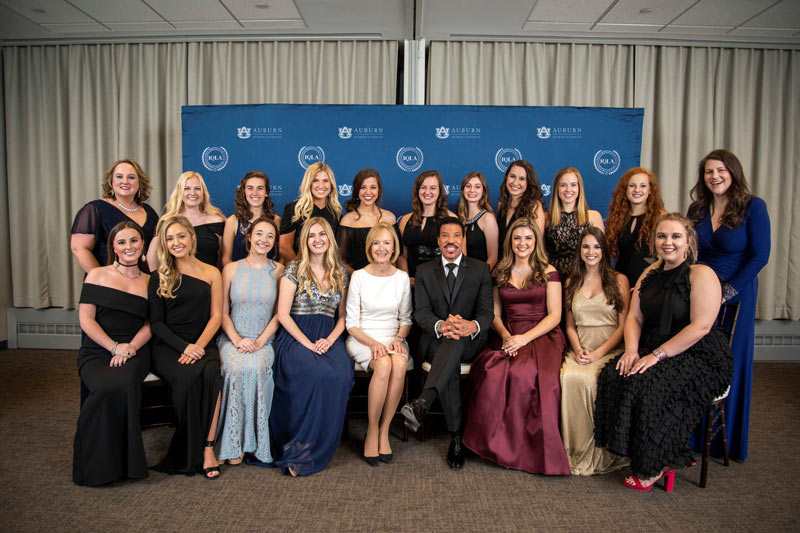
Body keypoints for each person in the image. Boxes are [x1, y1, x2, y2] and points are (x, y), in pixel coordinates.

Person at [594, 213, 733, 492]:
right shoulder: (649, 273)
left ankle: (657, 462)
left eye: (675, 236)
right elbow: (634, 317)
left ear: (688, 241)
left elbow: (701, 327)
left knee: (650, 384)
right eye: (662, 236)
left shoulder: (702, 274)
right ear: (654, 241)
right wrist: (631, 351)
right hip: (654, 345)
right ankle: (637, 453)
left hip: (700, 353)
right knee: (616, 373)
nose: (668, 242)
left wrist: (656, 356)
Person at [462, 217, 569, 475]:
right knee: (490, 370)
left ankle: (524, 451)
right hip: (508, 333)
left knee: (525, 374)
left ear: (536, 242)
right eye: (517, 238)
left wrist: (524, 339)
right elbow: (495, 314)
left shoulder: (548, 271)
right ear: (510, 241)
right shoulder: (500, 270)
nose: (523, 243)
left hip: (542, 334)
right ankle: (491, 445)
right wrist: (507, 336)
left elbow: (554, 315)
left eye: (528, 238)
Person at [688, 149, 770, 462]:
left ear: (733, 172)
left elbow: (760, 256)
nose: (715, 177)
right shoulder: (698, 207)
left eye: (720, 170)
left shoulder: (753, 207)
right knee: (697, 359)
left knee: (730, 363)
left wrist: (727, 291)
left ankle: (728, 441)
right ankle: (694, 436)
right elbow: (691, 250)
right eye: (709, 172)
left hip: (737, 295)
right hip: (700, 292)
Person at [400, 217, 493, 470]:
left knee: (455, 344)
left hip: (471, 342)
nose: (451, 241)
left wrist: (470, 326)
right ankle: (456, 439)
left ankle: (424, 403)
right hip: (436, 340)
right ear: (438, 240)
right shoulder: (424, 271)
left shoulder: (480, 269)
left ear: (463, 239)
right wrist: (442, 326)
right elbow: (420, 313)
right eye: (445, 236)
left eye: (456, 236)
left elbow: (486, 314)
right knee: (450, 350)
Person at [271, 217, 354, 476]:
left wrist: (330, 340)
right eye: (311, 235)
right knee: (313, 374)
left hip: (329, 335)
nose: (317, 240)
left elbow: (343, 317)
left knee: (340, 375)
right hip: (296, 335)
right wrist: (307, 344)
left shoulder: (340, 272)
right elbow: (283, 314)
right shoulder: (293, 270)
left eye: (322, 234)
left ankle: (319, 443)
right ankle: (299, 446)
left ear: (330, 239)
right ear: (304, 241)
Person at [73, 221, 152, 486]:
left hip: (135, 349)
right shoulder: (96, 275)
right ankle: (94, 465)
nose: (128, 247)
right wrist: (112, 347)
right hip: (97, 349)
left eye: (133, 241)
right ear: (114, 247)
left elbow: (151, 325)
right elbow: (86, 320)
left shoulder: (152, 281)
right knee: (104, 388)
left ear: (142, 245)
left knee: (122, 383)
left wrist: (129, 348)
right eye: (122, 242)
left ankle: (126, 464)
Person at [148, 216, 223, 479]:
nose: (176, 242)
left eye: (181, 236)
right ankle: (187, 449)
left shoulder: (212, 272)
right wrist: (184, 347)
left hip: (203, 341)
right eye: (169, 239)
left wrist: (198, 346)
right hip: (169, 345)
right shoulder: (158, 276)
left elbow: (216, 316)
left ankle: (208, 448)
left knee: (213, 375)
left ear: (192, 237)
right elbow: (156, 323)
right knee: (188, 378)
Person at [560, 227, 630, 475]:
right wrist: (577, 348)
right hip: (581, 345)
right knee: (568, 377)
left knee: (590, 379)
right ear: (580, 250)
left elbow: (624, 326)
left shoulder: (619, 280)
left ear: (604, 250)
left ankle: (599, 452)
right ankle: (573, 450)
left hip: (609, 346)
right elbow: (569, 324)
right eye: (586, 247)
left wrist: (599, 353)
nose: (591, 252)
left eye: (597, 247)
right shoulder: (571, 281)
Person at [216, 217, 284, 465]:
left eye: (269, 236)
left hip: (264, 340)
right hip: (232, 338)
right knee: (235, 369)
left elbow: (280, 313)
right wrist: (236, 339)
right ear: (249, 237)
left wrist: (259, 342)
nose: (263, 240)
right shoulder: (231, 269)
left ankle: (253, 443)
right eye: (259, 234)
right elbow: (222, 312)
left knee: (256, 368)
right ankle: (232, 442)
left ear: (274, 242)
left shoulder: (279, 270)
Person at [345, 223, 412, 465]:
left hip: (393, 337)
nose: (381, 248)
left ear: (394, 247)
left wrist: (398, 338)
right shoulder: (359, 277)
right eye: (376, 243)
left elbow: (406, 319)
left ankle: (385, 430)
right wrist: (373, 343)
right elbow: (351, 324)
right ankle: (372, 430)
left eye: (387, 243)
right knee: (383, 365)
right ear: (369, 246)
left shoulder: (402, 277)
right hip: (362, 338)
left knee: (399, 363)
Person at [71, 158, 158, 273]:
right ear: (111, 181)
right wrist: (102, 278)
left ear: (139, 183)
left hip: (142, 283)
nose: (125, 181)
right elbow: (79, 248)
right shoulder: (94, 209)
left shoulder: (149, 212)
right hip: (108, 284)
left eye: (131, 177)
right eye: (119, 176)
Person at [147, 171, 225, 270]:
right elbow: (152, 258)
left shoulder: (216, 221)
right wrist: (156, 281)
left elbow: (223, 259)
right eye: (186, 188)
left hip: (209, 281)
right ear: (180, 192)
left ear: (203, 193)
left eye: (197, 188)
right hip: (177, 281)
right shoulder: (167, 221)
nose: (192, 193)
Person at [605, 167, 666, 288]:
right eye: (632, 185)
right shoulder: (617, 217)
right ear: (625, 190)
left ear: (650, 190)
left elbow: (666, 255)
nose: (637, 190)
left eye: (643, 186)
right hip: (621, 281)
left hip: (650, 282)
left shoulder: (661, 216)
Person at [397, 170, 457, 285]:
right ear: (417, 190)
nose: (427, 192)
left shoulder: (451, 219)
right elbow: (402, 256)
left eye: (433, 188)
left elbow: (459, 256)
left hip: (441, 284)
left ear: (440, 191)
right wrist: (406, 279)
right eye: (423, 187)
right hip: (411, 283)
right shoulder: (405, 220)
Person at [545, 166, 605, 279]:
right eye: (563, 185)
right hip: (553, 280)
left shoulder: (593, 217)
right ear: (557, 188)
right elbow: (539, 254)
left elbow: (602, 255)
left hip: (584, 279)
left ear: (579, 188)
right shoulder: (546, 219)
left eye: (573, 184)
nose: (568, 189)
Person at [337, 169, 397, 274]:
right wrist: (360, 279)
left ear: (379, 190)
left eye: (373, 187)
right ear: (356, 191)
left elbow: (396, 256)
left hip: (388, 281)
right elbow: (341, 260)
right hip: (359, 284)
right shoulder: (347, 221)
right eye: (363, 187)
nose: (368, 192)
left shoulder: (390, 218)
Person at [279, 163, 342, 262]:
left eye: (326, 181)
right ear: (308, 183)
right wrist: (301, 270)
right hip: (299, 271)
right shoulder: (295, 209)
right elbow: (284, 247)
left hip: (328, 272)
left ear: (331, 184)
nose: (321, 185)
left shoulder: (336, 212)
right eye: (315, 180)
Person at [221, 171, 281, 266]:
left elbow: (281, 257)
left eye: (260, 188)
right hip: (239, 278)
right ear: (244, 192)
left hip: (270, 277)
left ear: (266, 192)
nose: (255, 193)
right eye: (250, 188)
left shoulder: (276, 221)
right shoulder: (233, 221)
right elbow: (225, 258)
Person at [496, 160, 545, 260]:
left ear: (528, 182)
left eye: (522, 179)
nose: (515, 182)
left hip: (523, 267)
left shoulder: (534, 206)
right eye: (512, 176)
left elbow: (536, 246)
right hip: (501, 265)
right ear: (506, 178)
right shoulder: (501, 205)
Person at [457, 171, 499, 270]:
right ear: (463, 190)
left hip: (481, 278)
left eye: (477, 187)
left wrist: (480, 278)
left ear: (483, 191)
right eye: (468, 186)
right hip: (463, 277)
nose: (472, 190)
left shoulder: (488, 218)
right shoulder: (460, 218)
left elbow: (493, 258)